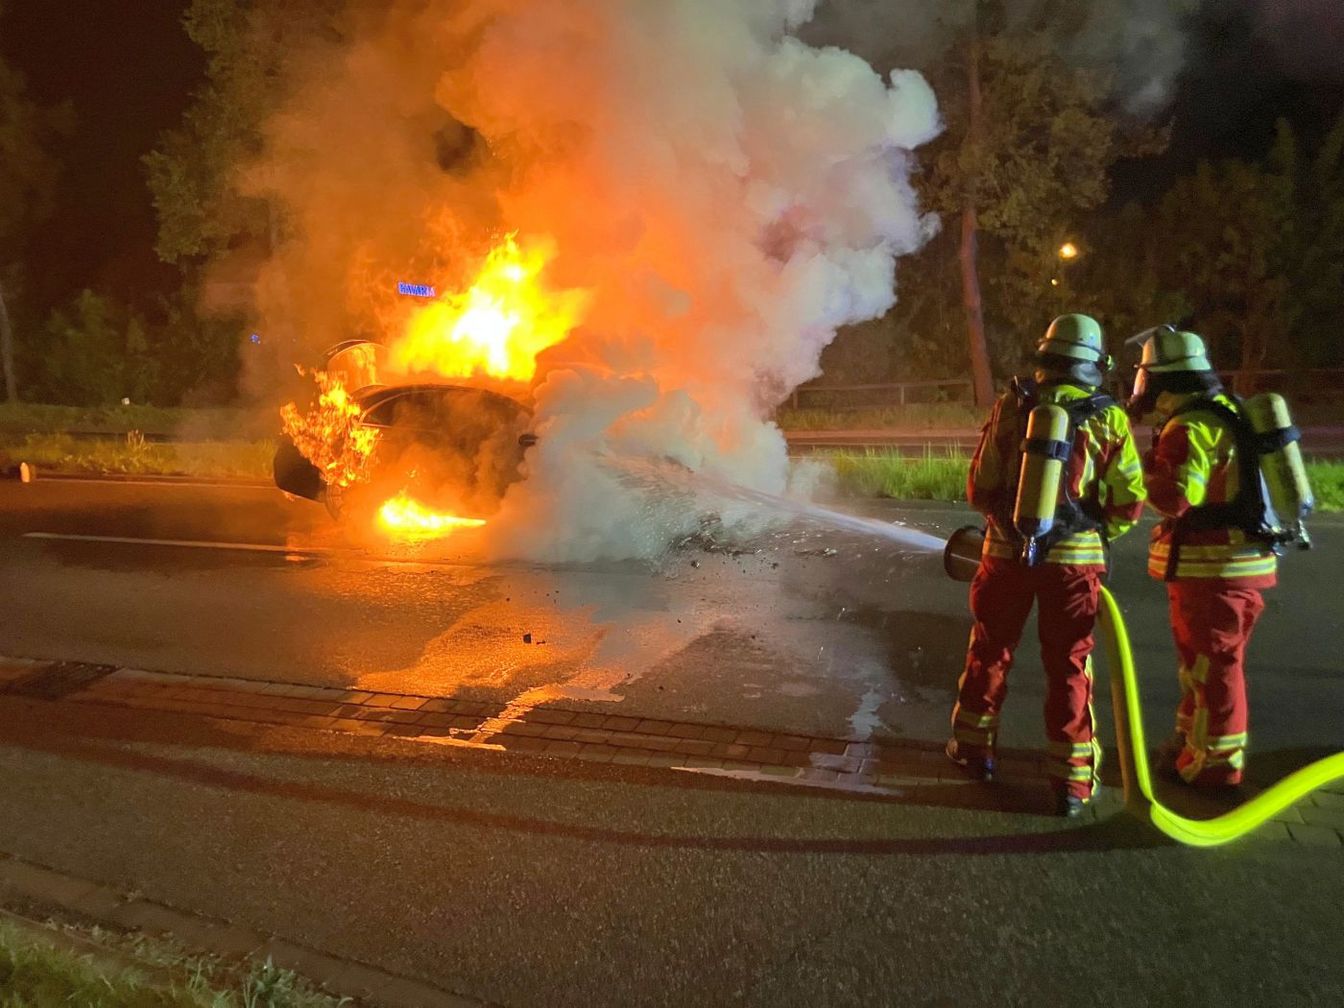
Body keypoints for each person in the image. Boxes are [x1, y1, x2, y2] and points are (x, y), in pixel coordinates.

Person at [948, 314, 1147, 817]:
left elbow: (979, 488)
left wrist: (1009, 526)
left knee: (989, 653)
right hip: (1074, 567)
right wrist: (1092, 534)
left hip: (1004, 556)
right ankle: (1072, 782)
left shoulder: (1012, 405)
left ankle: (973, 752)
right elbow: (1128, 503)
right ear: (1094, 363)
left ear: (1046, 355)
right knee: (1069, 666)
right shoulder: (1109, 418)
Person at [1128, 326, 1276, 789]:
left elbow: (1176, 497)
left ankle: (1215, 768)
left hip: (1215, 568)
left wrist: (1131, 475)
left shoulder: (1190, 425)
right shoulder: (1224, 411)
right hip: (1227, 566)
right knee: (1203, 667)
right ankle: (1191, 745)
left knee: (1214, 670)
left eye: (1145, 375)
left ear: (1162, 379)